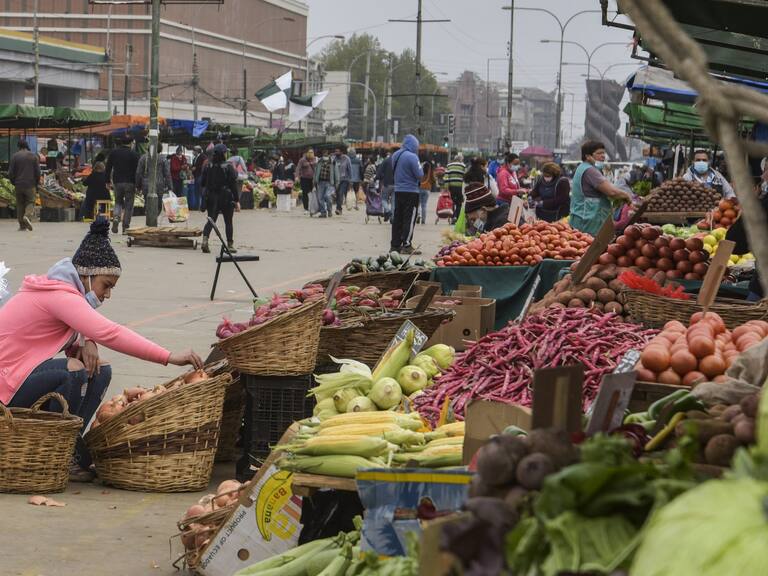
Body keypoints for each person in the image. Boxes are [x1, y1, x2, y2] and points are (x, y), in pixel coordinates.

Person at [0, 218, 203, 480]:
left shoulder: (64, 293)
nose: (107, 294)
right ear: (86, 275)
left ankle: (69, 445)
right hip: (6, 387)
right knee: (73, 371)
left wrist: (87, 341)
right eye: (106, 285)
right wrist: (169, 357)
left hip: (19, 379)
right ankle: (64, 451)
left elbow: (81, 331)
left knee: (100, 369)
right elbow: (111, 332)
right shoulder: (59, 296)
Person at [570, 140, 632, 236]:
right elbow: (611, 192)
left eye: (604, 153)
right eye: (599, 153)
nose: (603, 156)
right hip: (589, 222)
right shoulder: (590, 170)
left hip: (582, 219)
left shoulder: (583, 168)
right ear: (588, 156)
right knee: (590, 248)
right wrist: (626, 195)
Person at [201, 144, 240, 254]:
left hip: (211, 197)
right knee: (228, 221)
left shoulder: (208, 166)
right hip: (226, 197)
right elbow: (233, 184)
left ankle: (205, 240)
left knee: (211, 220)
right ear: (223, 153)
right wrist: (237, 200)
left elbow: (202, 183)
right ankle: (230, 245)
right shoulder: (228, 166)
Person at [390, 134, 424, 254]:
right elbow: (420, 175)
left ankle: (395, 245)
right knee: (409, 218)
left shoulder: (395, 155)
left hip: (398, 190)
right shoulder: (413, 157)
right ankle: (407, 245)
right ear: (414, 145)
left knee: (397, 217)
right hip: (411, 192)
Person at [106, 137, 140, 234]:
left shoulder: (114, 153)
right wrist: (138, 184)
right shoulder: (134, 154)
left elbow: (108, 167)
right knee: (129, 205)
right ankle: (125, 227)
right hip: (130, 182)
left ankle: (116, 218)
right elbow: (138, 171)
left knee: (118, 202)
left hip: (117, 182)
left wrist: (107, 181)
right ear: (131, 143)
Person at [8, 139, 40, 232]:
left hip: (18, 184)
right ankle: (27, 215)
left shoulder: (15, 156)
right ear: (27, 146)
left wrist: (14, 182)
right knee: (30, 202)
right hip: (30, 184)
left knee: (20, 204)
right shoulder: (33, 156)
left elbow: (10, 173)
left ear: (19, 146)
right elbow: (38, 172)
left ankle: (22, 225)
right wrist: (36, 183)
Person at [136, 143, 173, 216]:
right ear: (160, 149)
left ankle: (150, 218)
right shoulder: (163, 159)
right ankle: (154, 219)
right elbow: (167, 174)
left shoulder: (143, 158)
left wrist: (138, 185)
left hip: (146, 185)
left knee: (148, 203)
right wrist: (170, 187)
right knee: (158, 205)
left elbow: (138, 173)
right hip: (159, 185)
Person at [313, 150, 335, 218]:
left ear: (328, 154)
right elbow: (316, 171)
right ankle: (323, 213)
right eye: (323, 153)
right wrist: (314, 181)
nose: (325, 154)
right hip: (320, 182)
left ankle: (330, 210)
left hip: (329, 183)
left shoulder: (333, 162)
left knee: (327, 196)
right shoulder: (319, 162)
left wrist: (337, 182)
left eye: (326, 153)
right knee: (320, 198)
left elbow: (336, 172)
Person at [444, 153, 465, 223]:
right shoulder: (463, 166)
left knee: (451, 202)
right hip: (459, 187)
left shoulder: (449, 166)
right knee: (459, 203)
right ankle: (457, 217)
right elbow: (465, 177)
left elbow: (446, 177)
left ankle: (453, 217)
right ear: (460, 159)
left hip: (451, 187)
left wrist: (446, 188)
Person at [376, 151, 395, 222]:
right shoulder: (398, 161)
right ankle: (392, 218)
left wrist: (376, 178)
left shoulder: (386, 161)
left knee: (383, 199)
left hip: (387, 184)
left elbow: (379, 172)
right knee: (394, 202)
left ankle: (388, 210)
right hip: (396, 185)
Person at [332, 146, 352, 215]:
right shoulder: (334, 159)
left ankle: (338, 209)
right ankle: (339, 208)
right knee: (337, 194)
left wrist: (350, 180)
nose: (336, 152)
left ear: (341, 152)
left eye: (337, 151)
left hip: (344, 180)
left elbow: (350, 170)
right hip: (336, 180)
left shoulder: (347, 159)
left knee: (340, 193)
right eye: (335, 151)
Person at [188, 145, 206, 211]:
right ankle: (197, 206)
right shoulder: (195, 158)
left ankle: (202, 207)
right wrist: (191, 167)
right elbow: (194, 166)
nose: (193, 152)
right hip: (196, 176)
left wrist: (196, 168)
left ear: (197, 151)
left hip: (200, 176)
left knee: (201, 192)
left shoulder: (203, 156)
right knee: (196, 192)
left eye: (194, 151)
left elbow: (203, 165)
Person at [419, 160, 436, 224]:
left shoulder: (420, 172)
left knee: (418, 204)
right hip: (427, 189)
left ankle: (418, 215)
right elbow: (434, 180)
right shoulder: (430, 172)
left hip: (420, 188)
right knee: (424, 205)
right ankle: (423, 220)